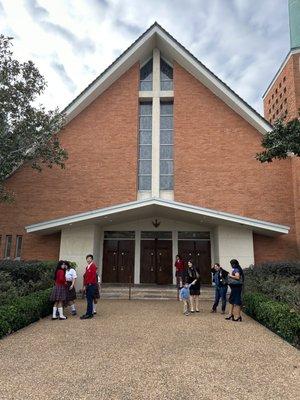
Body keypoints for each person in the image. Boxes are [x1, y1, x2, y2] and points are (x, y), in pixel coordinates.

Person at [80, 254, 97, 319]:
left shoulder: (93, 266)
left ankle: (89, 314)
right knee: (88, 300)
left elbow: (92, 277)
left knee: (90, 300)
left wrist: (87, 284)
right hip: (88, 285)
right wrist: (85, 285)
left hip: (91, 285)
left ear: (92, 259)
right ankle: (89, 313)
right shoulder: (87, 267)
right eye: (87, 258)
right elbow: (86, 277)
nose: (88, 260)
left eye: (89, 258)